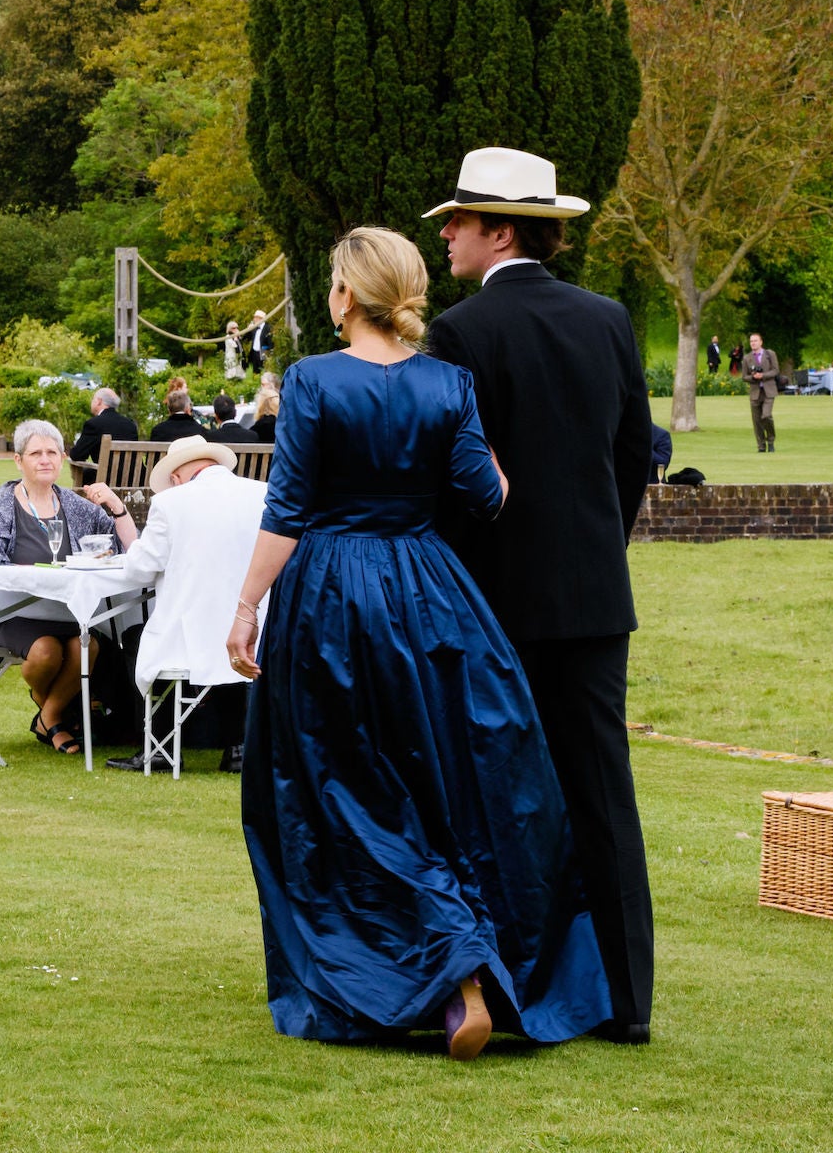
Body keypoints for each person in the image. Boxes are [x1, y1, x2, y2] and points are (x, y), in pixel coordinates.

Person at [227, 225, 610, 1060]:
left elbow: (286, 510)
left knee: (342, 787)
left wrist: (247, 605)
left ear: (342, 295)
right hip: (432, 598)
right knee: (444, 783)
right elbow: (488, 494)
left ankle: (432, 969)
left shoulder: (313, 380)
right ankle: (465, 967)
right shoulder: (447, 384)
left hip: (331, 597)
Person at [423, 145, 656, 1045]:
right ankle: (627, 1004)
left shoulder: (463, 334)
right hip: (595, 598)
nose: (445, 233)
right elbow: (633, 457)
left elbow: (456, 478)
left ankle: (524, 995)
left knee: (502, 797)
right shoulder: (609, 320)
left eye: (460, 219)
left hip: (495, 604)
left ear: (501, 230)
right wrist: (592, 548)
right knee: (603, 794)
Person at [0, 419, 137, 755]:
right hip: (14, 610)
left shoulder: (74, 506)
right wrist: (31, 574)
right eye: (35, 453)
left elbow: (129, 548)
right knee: (47, 651)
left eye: (51, 453)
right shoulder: (4, 504)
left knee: (86, 647)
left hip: (63, 611)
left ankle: (49, 717)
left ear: (61, 459)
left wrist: (117, 508)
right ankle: (56, 718)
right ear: (19, 461)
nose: (44, 459)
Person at [107, 435, 265, 774]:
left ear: (176, 475)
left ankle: (160, 748)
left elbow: (140, 568)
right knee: (227, 648)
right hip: (255, 627)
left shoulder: (172, 503)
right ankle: (237, 747)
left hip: (191, 634)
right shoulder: (262, 493)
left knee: (137, 636)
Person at [70, 386, 139, 484]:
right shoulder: (130, 424)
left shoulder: (93, 424)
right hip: (131, 481)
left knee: (86, 473)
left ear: (99, 401)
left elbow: (77, 455)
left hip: (105, 483)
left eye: (93, 399)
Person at [740, 333, 780, 453]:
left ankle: (771, 440)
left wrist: (763, 375)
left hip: (769, 390)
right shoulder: (747, 358)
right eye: (751, 341)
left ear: (761, 342)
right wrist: (753, 377)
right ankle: (761, 445)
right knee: (757, 421)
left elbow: (776, 370)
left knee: (766, 416)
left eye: (755, 341)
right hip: (755, 392)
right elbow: (744, 377)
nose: (753, 343)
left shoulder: (770, 354)